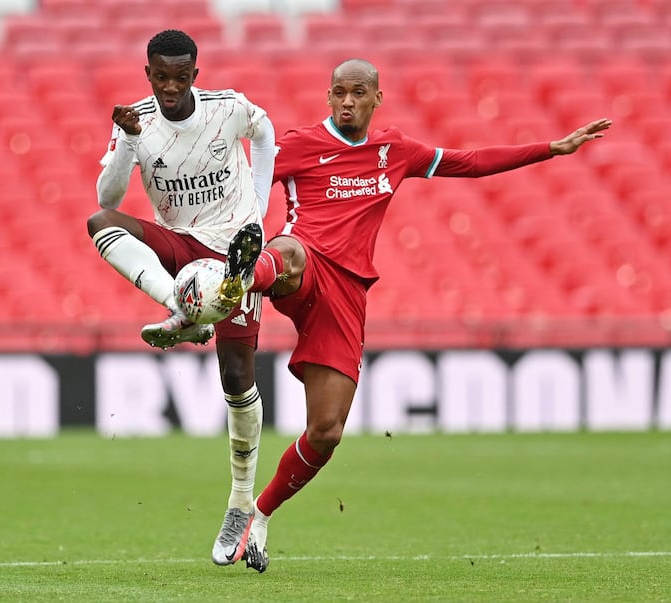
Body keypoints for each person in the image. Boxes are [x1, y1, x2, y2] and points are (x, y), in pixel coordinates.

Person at [216, 58, 612, 572]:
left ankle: (257, 515)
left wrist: (550, 149)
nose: (347, 102)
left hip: (346, 293)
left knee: (327, 431)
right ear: (328, 96)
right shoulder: (297, 145)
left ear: (377, 98)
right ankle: (243, 278)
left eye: (358, 93)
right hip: (302, 261)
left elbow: (468, 162)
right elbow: (241, 186)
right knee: (288, 253)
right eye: (339, 92)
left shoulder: (393, 151)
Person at [86, 29, 275, 566]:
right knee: (102, 223)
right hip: (180, 248)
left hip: (234, 253)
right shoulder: (137, 122)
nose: (170, 86)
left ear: (196, 73)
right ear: (148, 74)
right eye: (161, 76)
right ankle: (182, 306)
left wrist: (258, 211)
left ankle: (241, 501)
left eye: (181, 76)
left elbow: (266, 135)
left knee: (236, 378)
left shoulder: (226, 109)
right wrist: (125, 139)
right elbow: (108, 197)